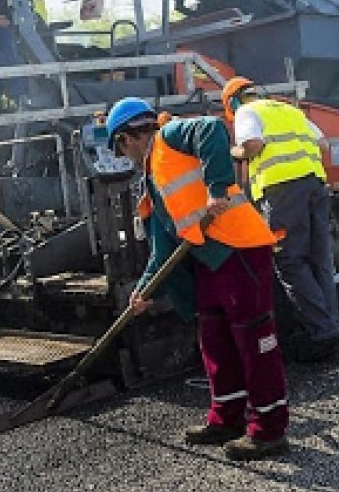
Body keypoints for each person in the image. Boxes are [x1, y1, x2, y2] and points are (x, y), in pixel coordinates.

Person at [106, 97, 289, 461]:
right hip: (210, 259)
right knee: (215, 338)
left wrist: (217, 188)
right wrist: (144, 290)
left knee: (253, 340)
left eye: (121, 149)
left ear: (127, 138)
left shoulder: (170, 136)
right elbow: (161, 250)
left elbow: (211, 128)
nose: (126, 157)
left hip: (240, 248)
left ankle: (268, 429)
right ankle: (226, 417)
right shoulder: (153, 185)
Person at [222, 77, 339, 362]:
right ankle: (332, 328)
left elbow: (252, 144)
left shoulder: (246, 112)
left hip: (281, 191)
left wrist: (234, 152)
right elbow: (323, 144)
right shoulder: (289, 110)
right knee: (320, 261)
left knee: (289, 262)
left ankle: (324, 332)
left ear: (233, 102)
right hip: (315, 185)